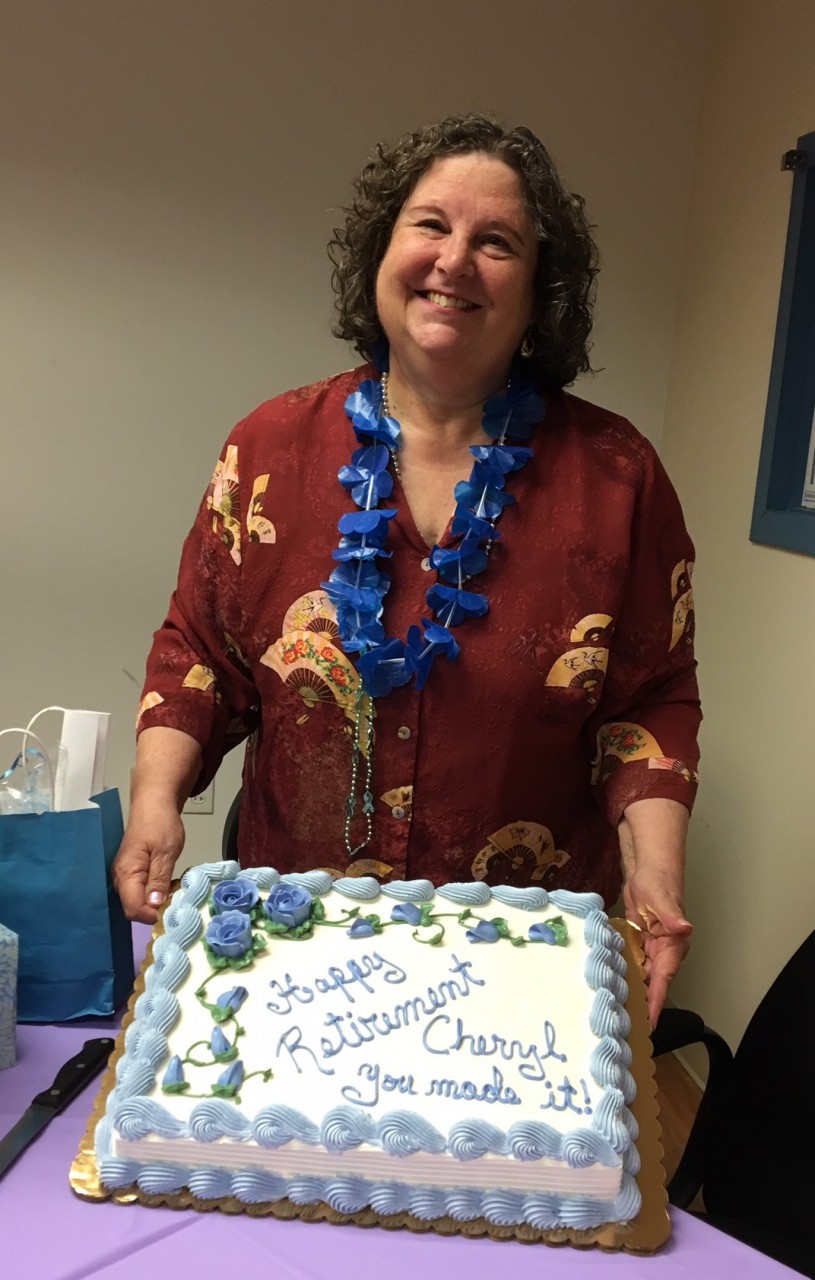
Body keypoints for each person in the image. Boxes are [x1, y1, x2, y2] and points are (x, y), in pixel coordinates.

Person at [113, 113, 699, 1024]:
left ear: (539, 288)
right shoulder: (268, 447)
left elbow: (649, 701)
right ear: (381, 250)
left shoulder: (617, 476)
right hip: (291, 952)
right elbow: (198, 653)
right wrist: (155, 806)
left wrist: (654, 869)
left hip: (514, 969)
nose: (454, 260)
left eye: (495, 241)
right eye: (429, 225)